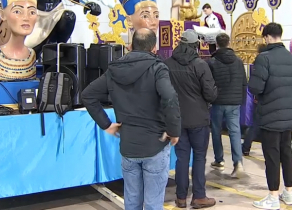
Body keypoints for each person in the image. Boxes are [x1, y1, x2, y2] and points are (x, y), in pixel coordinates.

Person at [82, 28, 181, 210]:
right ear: (154, 48)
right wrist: (174, 130)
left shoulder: (114, 71)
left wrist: (106, 124)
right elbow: (170, 97)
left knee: (132, 200)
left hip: (128, 145)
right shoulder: (158, 68)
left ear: (130, 46)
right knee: (153, 203)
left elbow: (87, 95)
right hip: (155, 144)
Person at [248, 23, 292, 209]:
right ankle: (288, 193)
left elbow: (256, 87)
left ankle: (273, 196)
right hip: (288, 115)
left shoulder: (264, 58)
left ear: (267, 37)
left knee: (272, 156)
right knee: (287, 154)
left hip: (270, 115)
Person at [164, 29, 218, 209]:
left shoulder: (168, 64)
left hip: (177, 119)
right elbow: (210, 94)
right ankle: (199, 196)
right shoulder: (200, 65)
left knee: (181, 158)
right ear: (196, 46)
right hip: (199, 119)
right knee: (200, 157)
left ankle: (180, 198)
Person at [207, 33, 246, 177]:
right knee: (235, 131)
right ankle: (238, 163)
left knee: (216, 131)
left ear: (217, 44)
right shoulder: (238, 61)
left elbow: (209, 83)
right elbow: (244, 82)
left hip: (218, 102)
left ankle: (219, 160)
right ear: (229, 43)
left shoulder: (212, 62)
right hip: (234, 101)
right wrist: (241, 100)